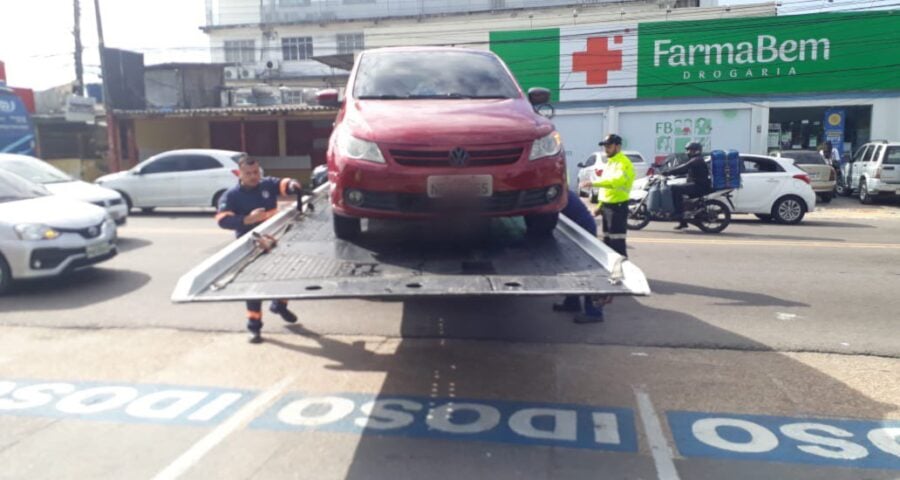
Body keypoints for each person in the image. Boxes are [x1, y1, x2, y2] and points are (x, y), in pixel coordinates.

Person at [216, 156, 303, 343]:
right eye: (248, 173)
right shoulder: (231, 196)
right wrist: (248, 219)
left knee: (287, 276)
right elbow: (222, 220)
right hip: (250, 246)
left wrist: (293, 184)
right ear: (239, 173)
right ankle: (254, 328)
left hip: (275, 239)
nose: (254, 176)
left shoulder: (267, 185)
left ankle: (279, 306)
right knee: (253, 289)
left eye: (256, 172)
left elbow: (283, 184)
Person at [577, 133, 635, 323]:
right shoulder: (610, 162)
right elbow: (608, 190)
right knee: (608, 242)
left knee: (617, 244)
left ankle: (622, 277)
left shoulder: (623, 163)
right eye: (604, 146)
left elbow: (616, 183)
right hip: (609, 207)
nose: (606, 149)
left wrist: (593, 182)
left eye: (609, 146)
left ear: (618, 146)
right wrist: (600, 207)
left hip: (618, 208)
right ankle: (615, 275)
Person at [552, 188, 605, 323]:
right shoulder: (556, 190)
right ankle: (572, 302)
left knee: (587, 272)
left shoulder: (554, 193)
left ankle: (594, 312)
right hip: (574, 229)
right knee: (571, 269)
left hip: (583, 230)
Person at [665, 141, 711, 231]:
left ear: (696, 151)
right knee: (679, 191)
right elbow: (684, 170)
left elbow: (684, 167)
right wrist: (672, 173)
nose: (688, 152)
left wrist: (668, 172)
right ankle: (683, 222)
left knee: (675, 189)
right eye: (688, 150)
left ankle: (678, 213)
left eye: (690, 150)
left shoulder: (696, 160)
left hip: (699, 186)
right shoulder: (695, 160)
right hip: (697, 184)